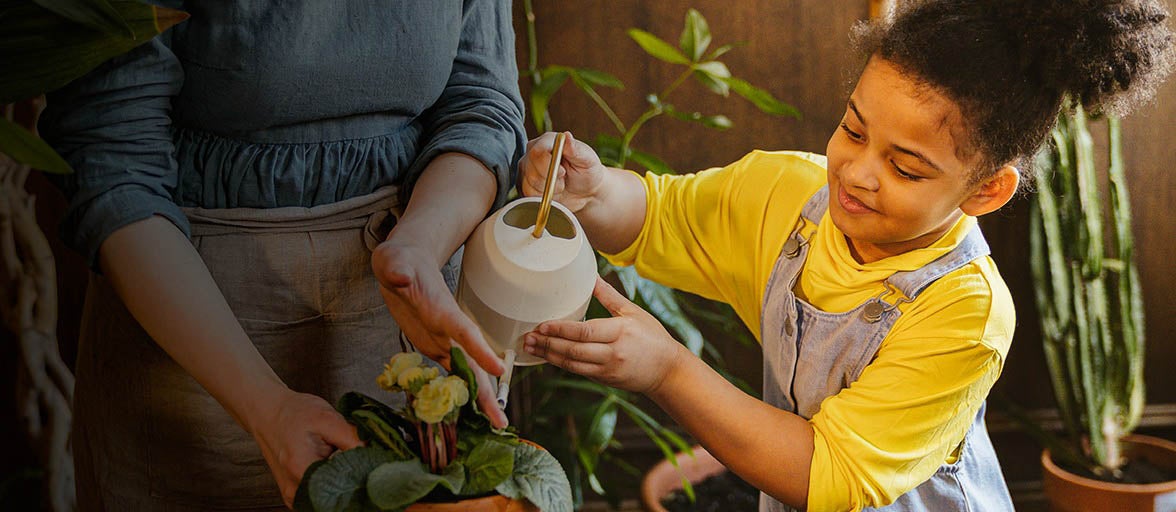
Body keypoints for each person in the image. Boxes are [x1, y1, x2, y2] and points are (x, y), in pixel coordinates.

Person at [516, 1, 1174, 510]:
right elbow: (662, 216)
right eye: (853, 129)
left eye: (906, 168)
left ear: (986, 189)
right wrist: (595, 190)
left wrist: (667, 370)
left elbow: (825, 471)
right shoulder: (788, 193)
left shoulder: (965, 313)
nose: (856, 173)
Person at [38, 2, 523, 510]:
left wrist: (418, 246)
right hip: (193, 340)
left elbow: (480, 103)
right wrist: (265, 409)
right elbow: (113, 159)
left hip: (409, 321)